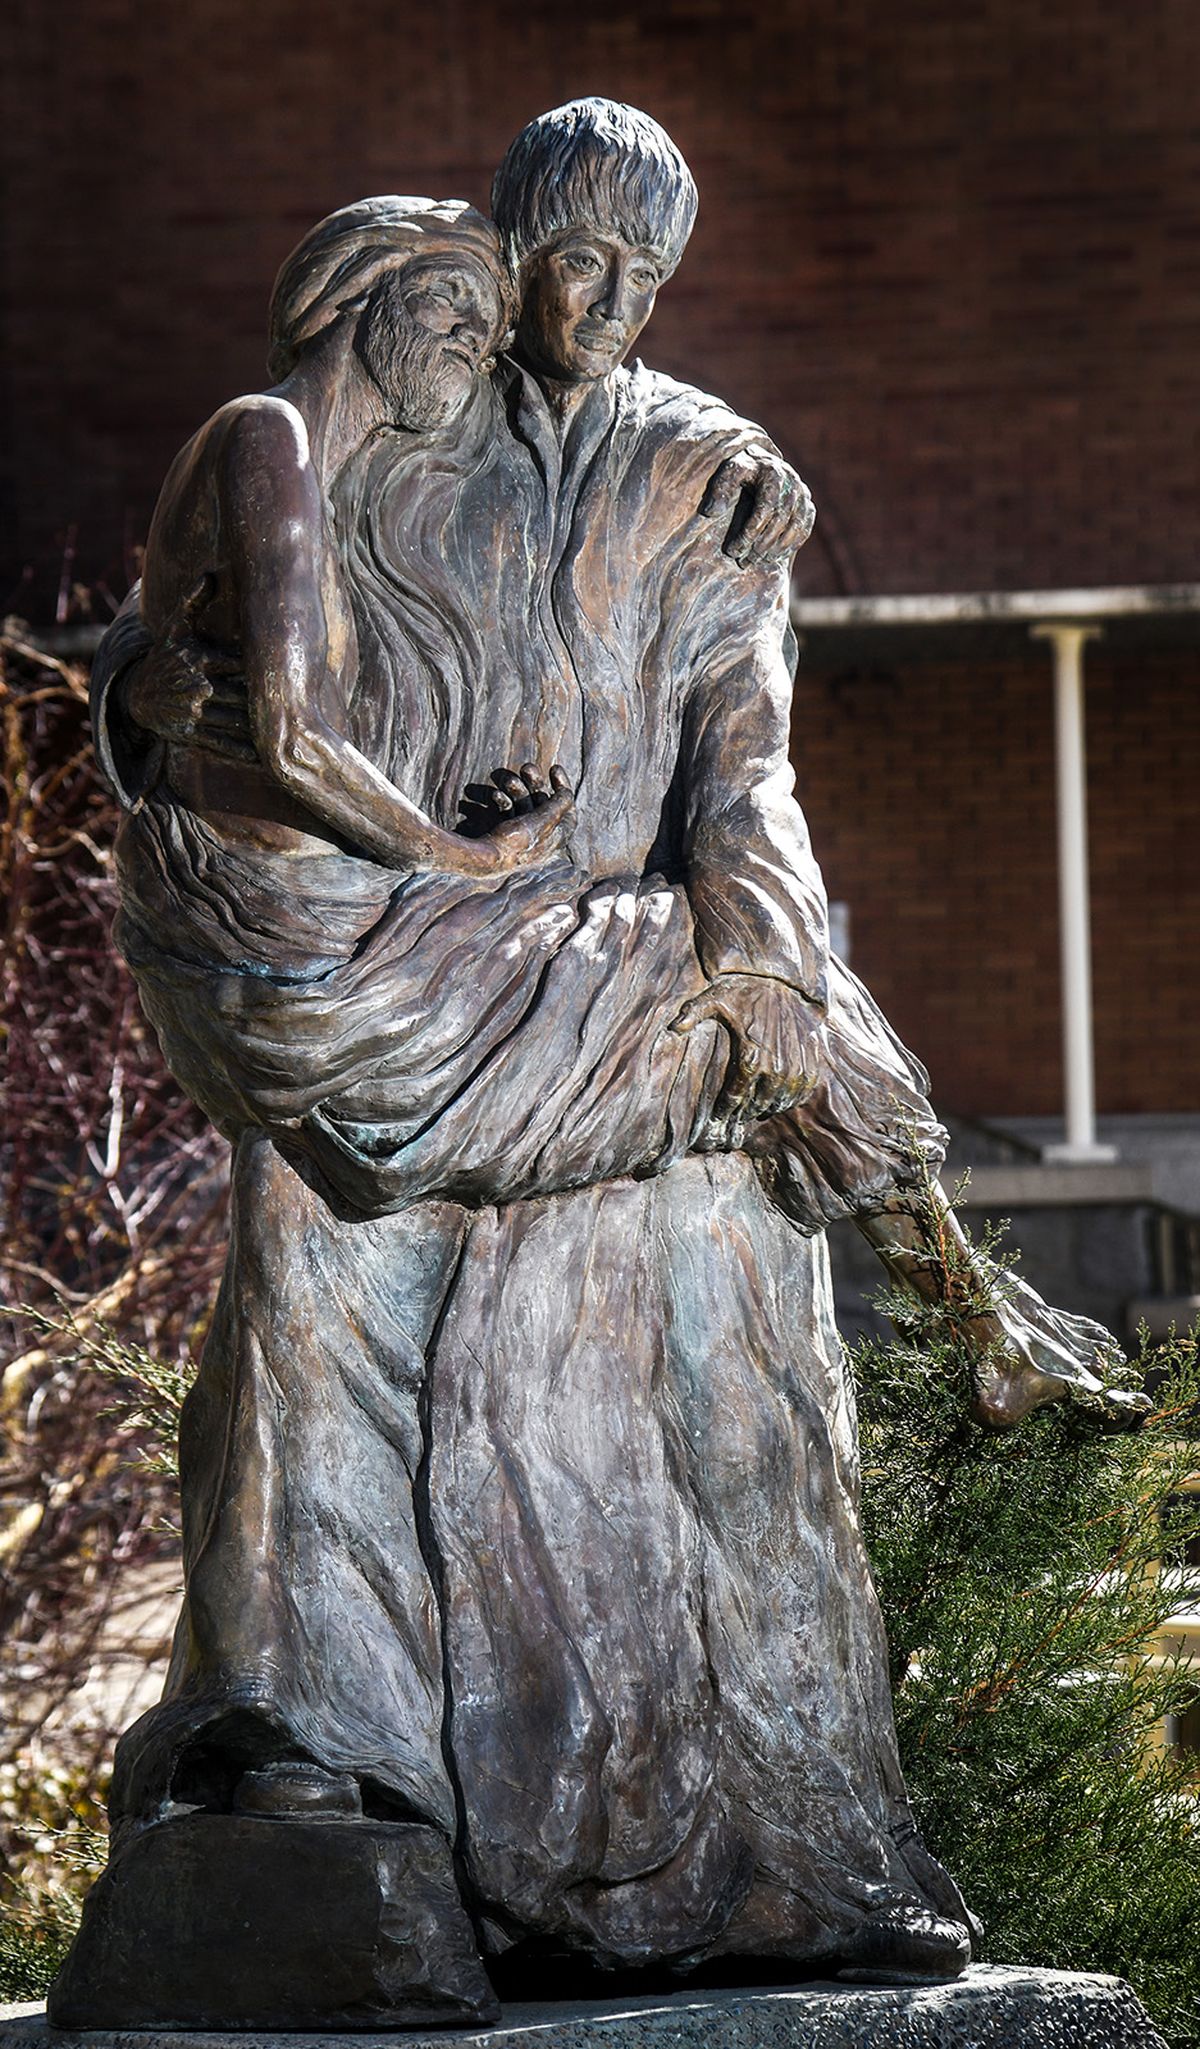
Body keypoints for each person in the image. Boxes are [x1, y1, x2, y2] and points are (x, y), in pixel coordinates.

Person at [78, 106, 1137, 2024]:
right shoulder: (398, 414)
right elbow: (191, 670)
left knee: (720, 1379)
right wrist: (149, 714)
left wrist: (766, 939)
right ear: (502, 251)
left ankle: (776, 1860)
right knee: (325, 1290)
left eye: (648, 278)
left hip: (616, 994)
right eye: (578, 262)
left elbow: (748, 765)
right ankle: (324, 1761)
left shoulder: (709, 479)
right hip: (408, 976)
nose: (609, 307)